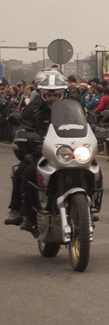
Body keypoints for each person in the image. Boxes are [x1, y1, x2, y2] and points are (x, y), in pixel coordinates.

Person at [14, 70, 68, 231]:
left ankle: (90, 202)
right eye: (49, 95)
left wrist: (95, 129)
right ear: (44, 94)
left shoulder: (70, 107)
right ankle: (24, 213)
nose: (53, 98)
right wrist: (30, 141)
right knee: (27, 172)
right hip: (42, 151)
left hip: (68, 151)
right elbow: (23, 125)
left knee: (92, 166)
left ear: (61, 94)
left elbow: (85, 122)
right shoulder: (35, 108)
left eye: (56, 95)